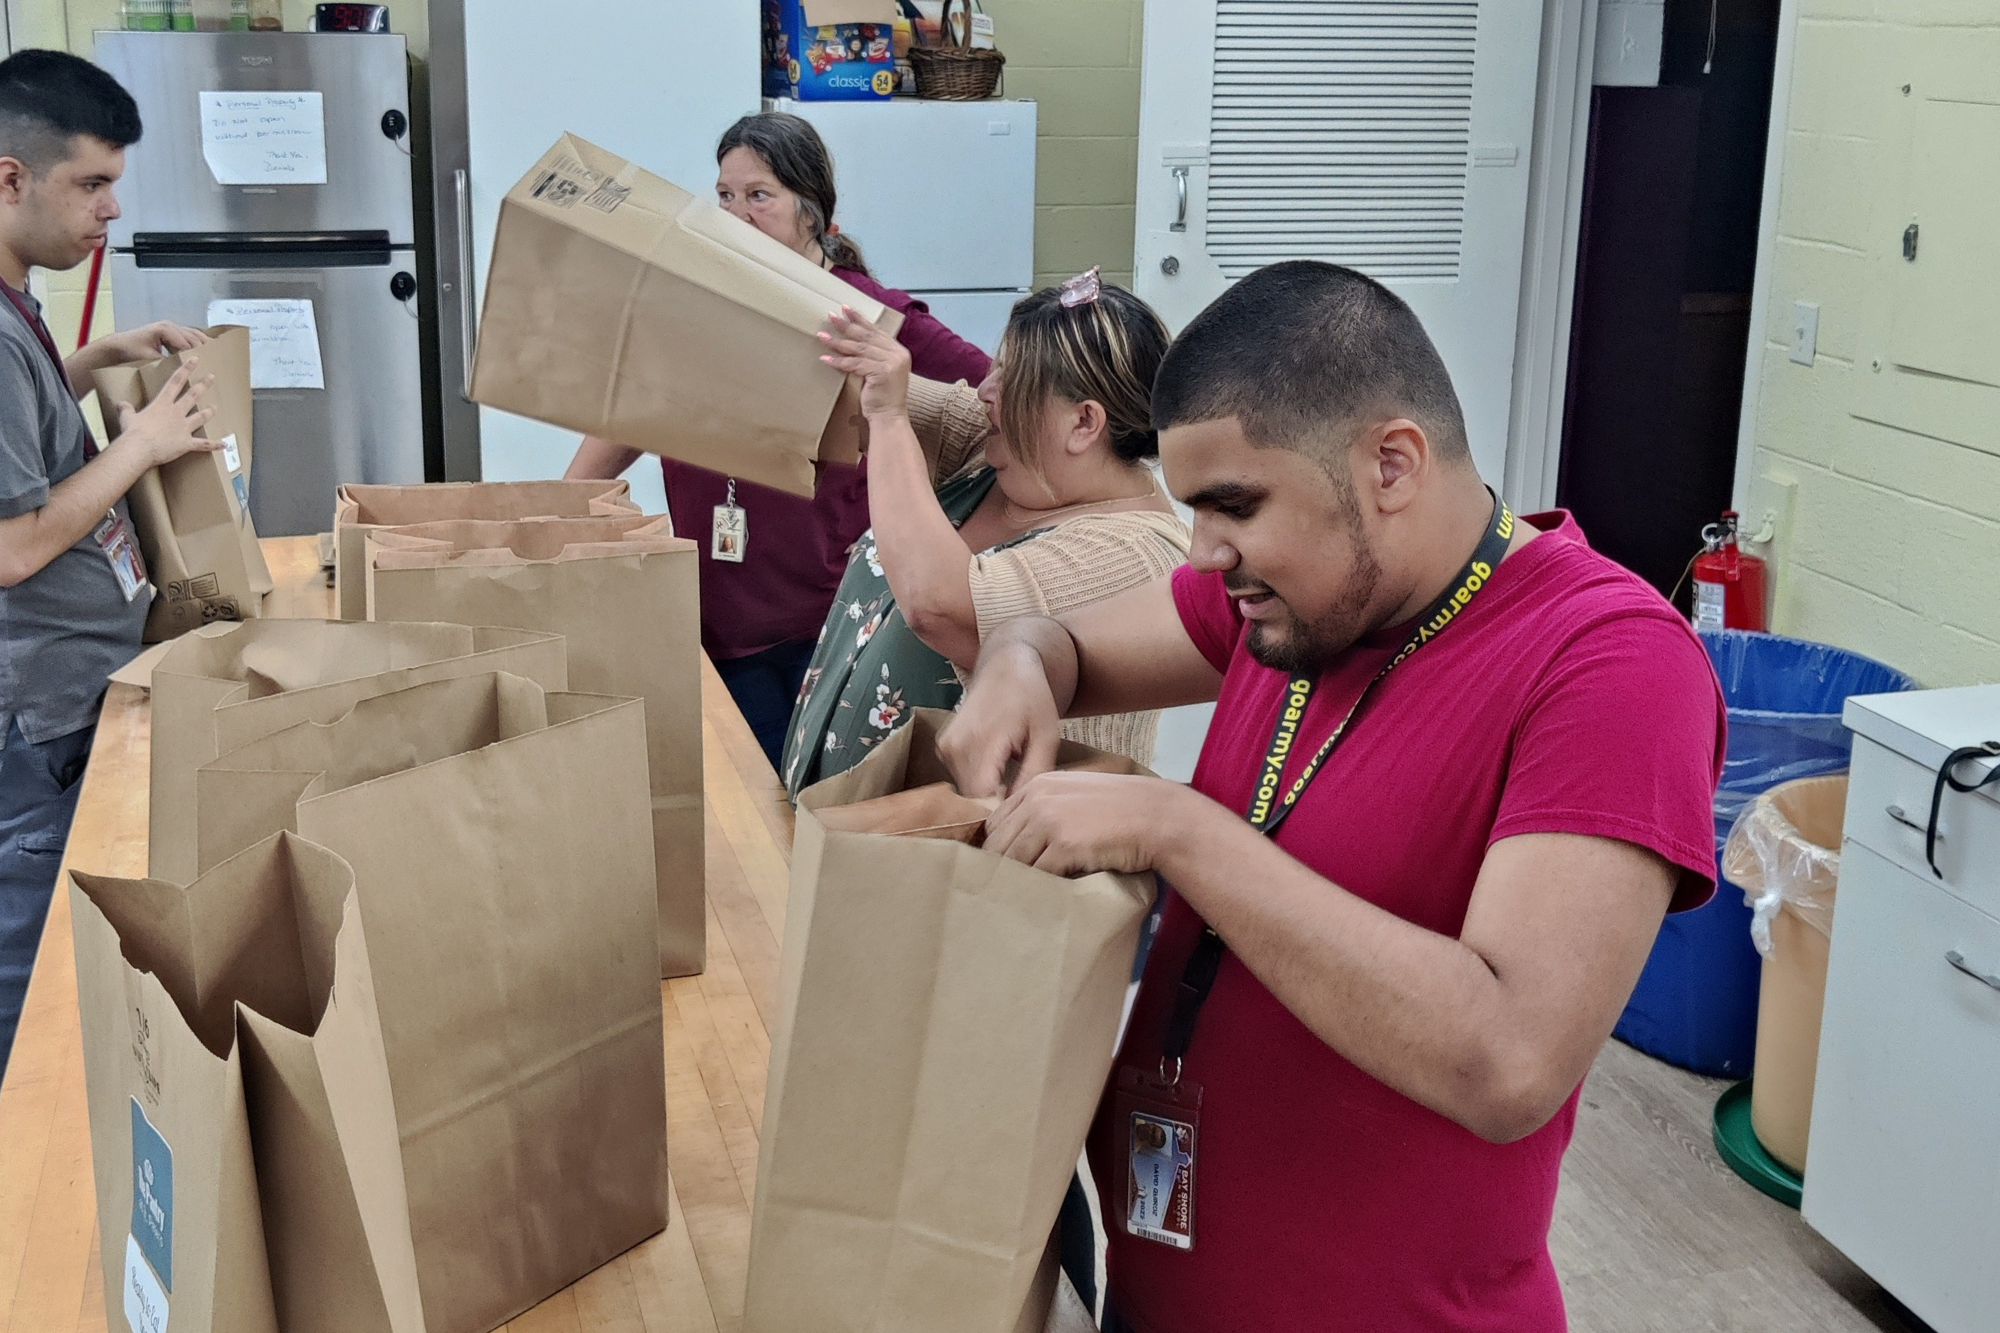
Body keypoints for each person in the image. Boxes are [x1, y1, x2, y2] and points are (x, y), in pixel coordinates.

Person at [938, 261, 1728, 1332]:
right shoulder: (1288, 601)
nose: (1206, 553)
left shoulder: (1608, 662)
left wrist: (1176, 827)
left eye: (1234, 507)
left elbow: (1507, 1056)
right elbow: (1062, 643)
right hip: (1162, 1284)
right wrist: (1016, 664)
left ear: (1390, 464)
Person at [566, 112, 990, 765]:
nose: (736, 216)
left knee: (806, 816)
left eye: (759, 196)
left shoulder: (863, 315)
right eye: (725, 196)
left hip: (832, 631)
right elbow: (630, 417)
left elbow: (995, 395)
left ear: (813, 212)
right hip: (714, 621)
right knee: (744, 815)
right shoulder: (690, 305)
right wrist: (557, 510)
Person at [0, 49, 217, 1075]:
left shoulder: (18, 301)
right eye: (90, 185)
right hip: (36, 722)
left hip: (68, 694)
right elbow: (13, 545)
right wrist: (143, 443)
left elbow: (32, 435)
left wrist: (104, 356)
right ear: (10, 177)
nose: (111, 211)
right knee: (29, 977)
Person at [780, 269, 1189, 799]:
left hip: (965, 866)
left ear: (1084, 423)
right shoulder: (996, 450)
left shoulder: (1137, 554)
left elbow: (941, 606)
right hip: (844, 825)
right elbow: (846, 388)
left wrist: (889, 417)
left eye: (1010, 378)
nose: (984, 391)